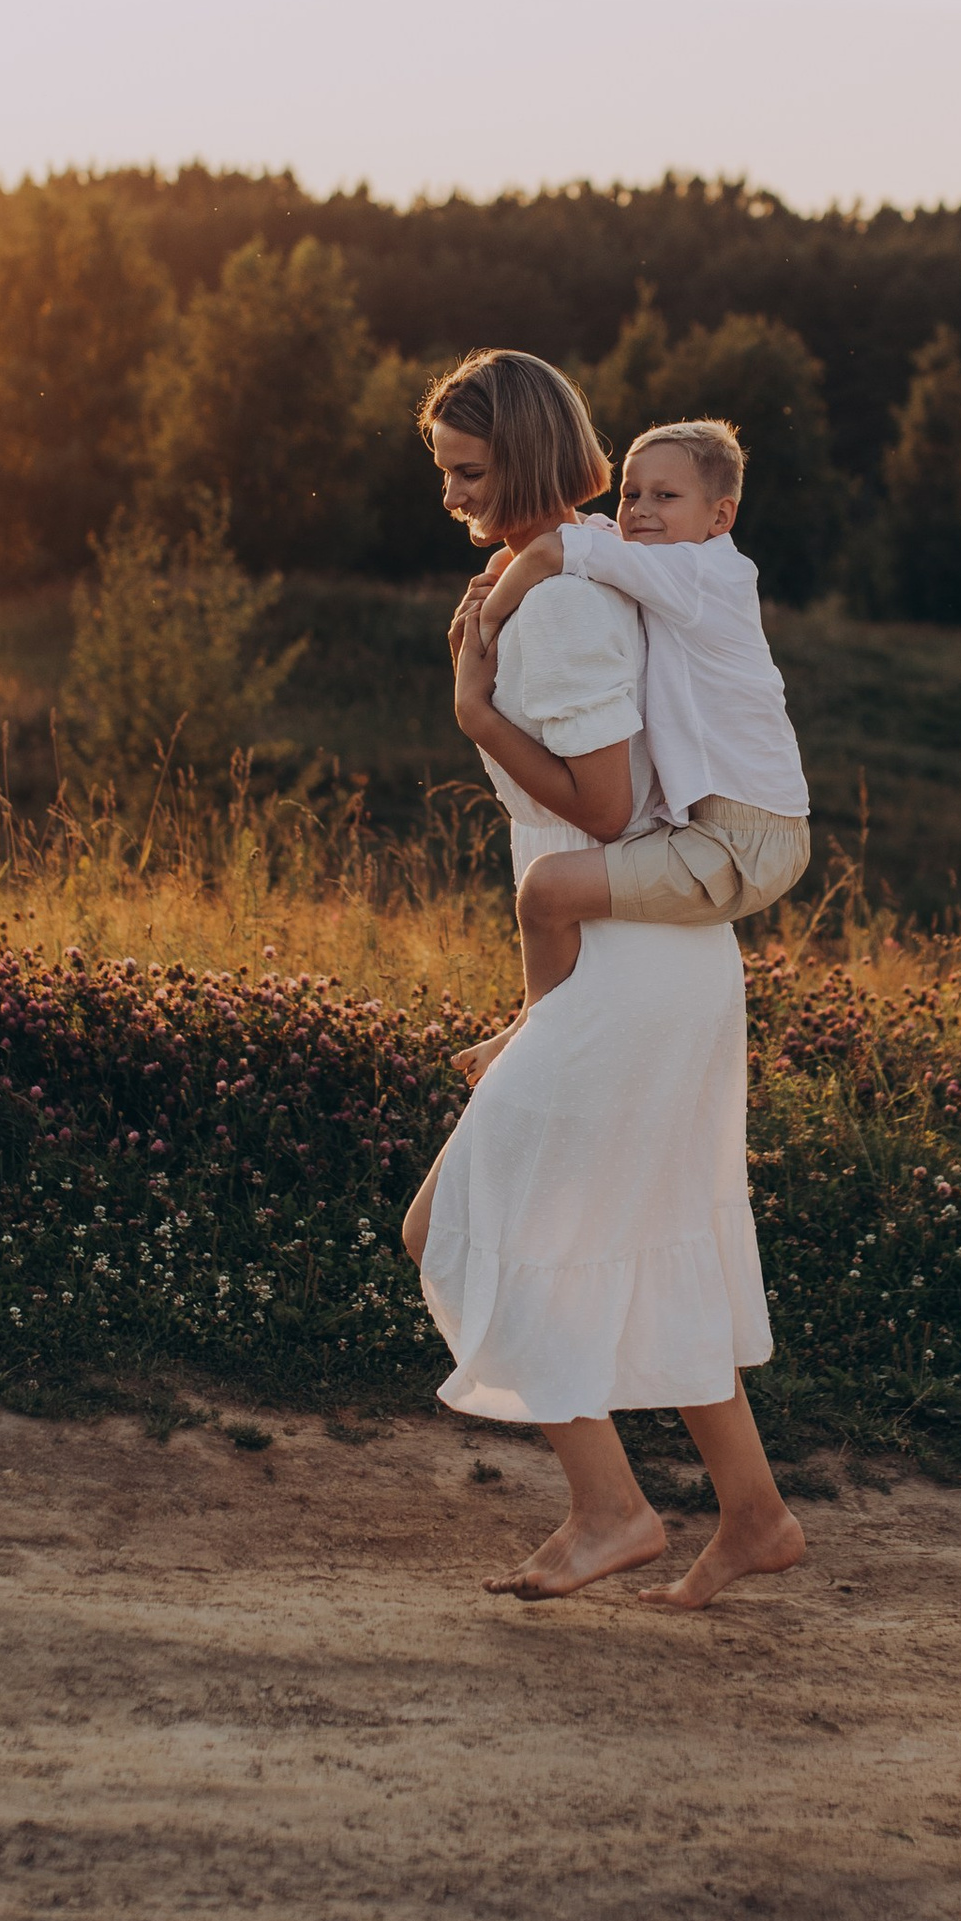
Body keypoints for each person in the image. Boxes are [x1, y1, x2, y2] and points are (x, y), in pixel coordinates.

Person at [400, 347, 804, 1610]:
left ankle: (609, 1509)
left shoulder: (569, 598)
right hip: (653, 955)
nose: (454, 495)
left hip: (634, 964)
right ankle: (753, 1514)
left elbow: (609, 803)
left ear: (517, 456)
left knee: (459, 1225)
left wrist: (477, 713)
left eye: (468, 472)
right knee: (639, 1233)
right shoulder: (563, 575)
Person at [463, 418, 810, 1023]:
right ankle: (541, 1023)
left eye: (665, 496)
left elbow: (553, 548)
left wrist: (483, 627)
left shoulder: (699, 573)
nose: (640, 510)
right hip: (726, 828)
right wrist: (499, 569)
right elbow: (585, 533)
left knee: (546, 892)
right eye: (630, 493)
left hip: (745, 841)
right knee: (551, 890)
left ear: (720, 517)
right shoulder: (670, 562)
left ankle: (534, 1029)